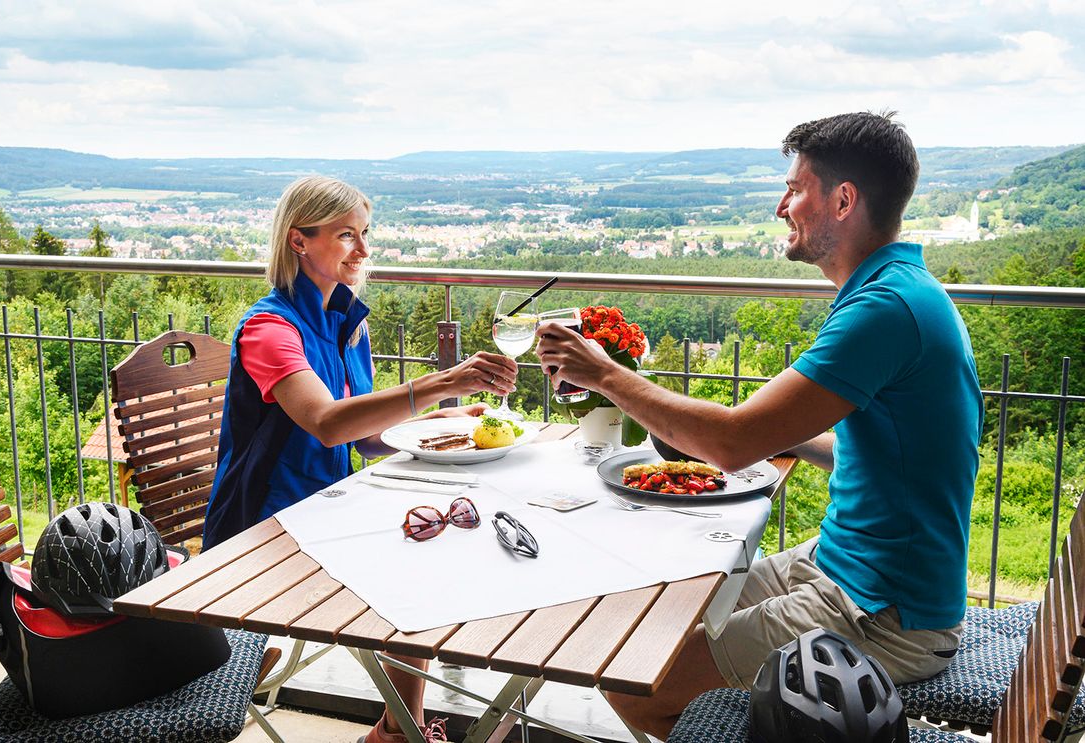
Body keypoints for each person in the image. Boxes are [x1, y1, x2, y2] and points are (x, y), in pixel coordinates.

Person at [535, 112, 984, 739]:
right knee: (657, 620)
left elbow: (730, 444)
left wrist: (604, 373)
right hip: (845, 567)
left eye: (795, 189)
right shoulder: (899, 287)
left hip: (884, 614)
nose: (782, 206)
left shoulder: (885, 308)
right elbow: (876, 450)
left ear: (843, 200)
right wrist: (780, 431)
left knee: (634, 680)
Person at [203, 175, 518, 743]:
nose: (364, 250)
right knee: (415, 569)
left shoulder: (346, 323)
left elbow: (364, 439)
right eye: (348, 235)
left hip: (324, 510)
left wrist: (441, 427)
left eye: (365, 233)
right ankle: (401, 732)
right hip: (263, 529)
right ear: (299, 240)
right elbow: (327, 424)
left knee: (435, 540)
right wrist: (440, 383)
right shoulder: (269, 330)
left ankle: (398, 730)